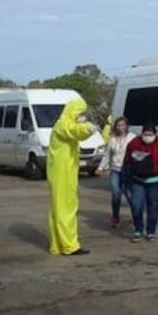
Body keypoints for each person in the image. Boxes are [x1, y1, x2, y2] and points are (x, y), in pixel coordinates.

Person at [47, 97, 100, 256]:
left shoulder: (62, 123)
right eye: (80, 113)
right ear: (74, 111)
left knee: (59, 208)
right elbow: (73, 130)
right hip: (62, 173)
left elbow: (75, 132)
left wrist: (85, 129)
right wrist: (87, 128)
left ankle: (58, 245)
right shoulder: (62, 124)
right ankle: (70, 246)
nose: (82, 116)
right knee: (66, 208)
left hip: (63, 172)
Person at [123, 123, 158, 242]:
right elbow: (127, 156)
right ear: (142, 133)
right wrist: (127, 169)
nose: (147, 137)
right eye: (145, 134)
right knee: (136, 205)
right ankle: (138, 229)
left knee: (153, 207)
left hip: (156, 180)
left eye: (150, 134)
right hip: (137, 179)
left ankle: (151, 231)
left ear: (155, 134)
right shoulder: (134, 143)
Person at [95, 116, 135, 228]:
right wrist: (101, 167)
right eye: (118, 125)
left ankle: (135, 215)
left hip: (127, 170)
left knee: (130, 194)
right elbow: (107, 155)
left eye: (123, 125)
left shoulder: (132, 138)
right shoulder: (112, 138)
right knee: (116, 193)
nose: (120, 127)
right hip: (115, 170)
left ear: (127, 126)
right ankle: (115, 217)